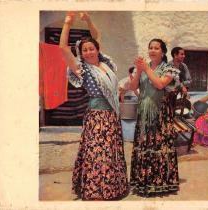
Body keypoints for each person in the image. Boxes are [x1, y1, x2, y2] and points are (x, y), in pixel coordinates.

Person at [59, 12, 128, 200]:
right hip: (97, 118)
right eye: (85, 50)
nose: (89, 52)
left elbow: (96, 37)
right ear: (81, 54)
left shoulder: (105, 66)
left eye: (92, 48)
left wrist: (88, 20)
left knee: (110, 153)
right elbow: (63, 48)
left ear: (97, 50)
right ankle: (95, 191)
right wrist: (68, 23)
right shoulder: (83, 69)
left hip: (111, 117)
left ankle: (112, 189)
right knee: (99, 154)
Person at [129, 38, 180, 197]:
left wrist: (145, 68)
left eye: (156, 48)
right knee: (145, 147)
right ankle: (143, 182)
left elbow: (160, 84)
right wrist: (138, 70)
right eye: (150, 47)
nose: (152, 50)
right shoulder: (144, 67)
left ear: (163, 51)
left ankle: (161, 183)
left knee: (159, 148)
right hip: (144, 113)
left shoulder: (169, 68)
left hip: (160, 115)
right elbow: (133, 87)